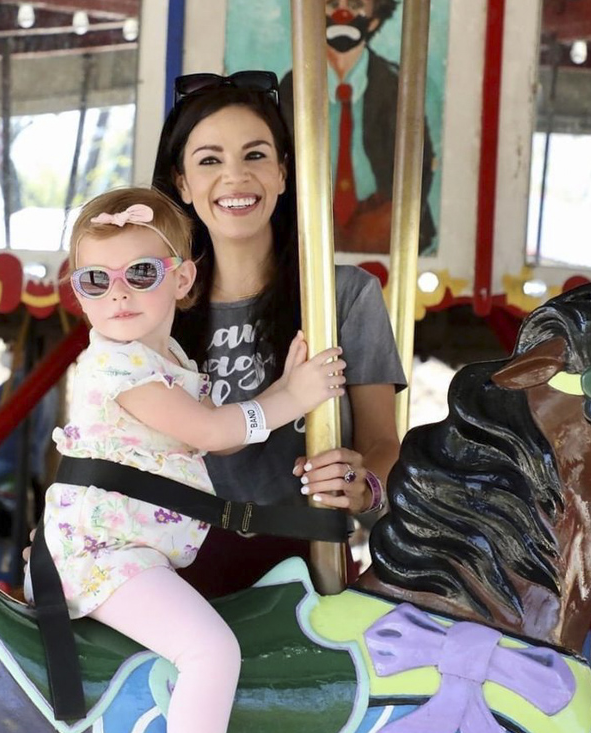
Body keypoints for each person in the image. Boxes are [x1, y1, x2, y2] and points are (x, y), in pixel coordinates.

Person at [40, 186, 347, 733]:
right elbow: (210, 430)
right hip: (106, 557)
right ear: (79, 296)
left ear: (181, 281)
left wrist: (280, 390)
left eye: (139, 273)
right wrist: (293, 400)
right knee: (211, 650)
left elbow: (216, 441)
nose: (118, 294)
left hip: (133, 551)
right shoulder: (116, 368)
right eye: (95, 280)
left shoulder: (168, 360)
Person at [152, 70, 407, 597]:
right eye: (209, 161)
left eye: (255, 155)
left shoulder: (344, 296)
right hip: (170, 560)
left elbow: (383, 441)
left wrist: (363, 486)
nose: (234, 177)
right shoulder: (157, 302)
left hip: (305, 556)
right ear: (182, 183)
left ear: (285, 173)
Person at [278, 0, 437, 254]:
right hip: (308, 227)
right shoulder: (289, 90)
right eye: (331, 5)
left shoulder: (398, 87)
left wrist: (390, 216)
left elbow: (421, 165)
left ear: (374, 20)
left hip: (382, 225)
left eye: (355, 5)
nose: (342, 14)